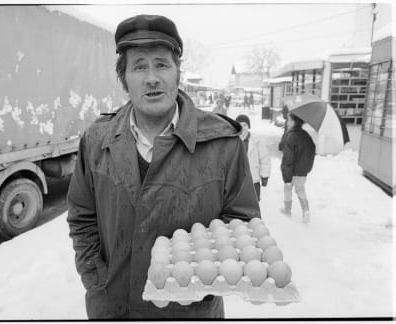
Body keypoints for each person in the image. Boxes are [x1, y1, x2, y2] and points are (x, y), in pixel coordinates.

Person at [66, 14, 260, 319]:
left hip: (190, 312)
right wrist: (96, 279)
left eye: (161, 64)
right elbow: (82, 217)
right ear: (124, 79)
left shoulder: (222, 144)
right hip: (112, 310)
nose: (152, 77)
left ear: (177, 73)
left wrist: (203, 282)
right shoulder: (96, 141)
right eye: (139, 66)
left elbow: (242, 225)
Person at [279, 113, 315, 223]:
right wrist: (306, 170)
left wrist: (286, 177)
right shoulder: (306, 136)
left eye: (289, 120)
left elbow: (288, 158)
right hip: (302, 172)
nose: (287, 122)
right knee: (300, 190)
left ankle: (287, 210)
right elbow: (311, 153)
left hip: (291, 172)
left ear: (294, 122)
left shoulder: (290, 136)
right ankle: (306, 211)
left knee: (288, 190)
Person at [235, 114, 271, 201]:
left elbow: (264, 159)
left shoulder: (257, 141)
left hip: (253, 179)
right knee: (239, 204)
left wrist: (264, 176)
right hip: (238, 180)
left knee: (254, 203)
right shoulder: (234, 141)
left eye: (245, 125)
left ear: (248, 126)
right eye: (240, 125)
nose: (243, 128)